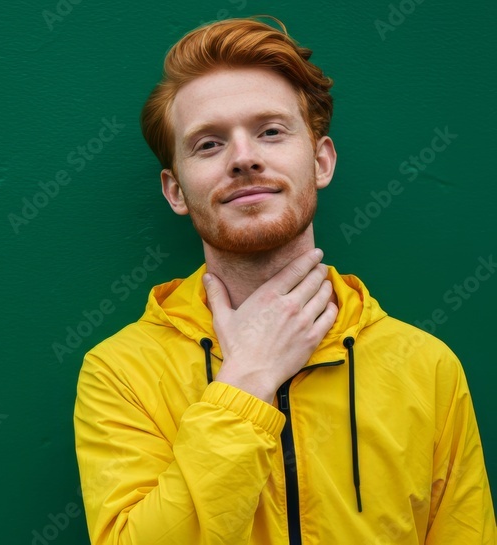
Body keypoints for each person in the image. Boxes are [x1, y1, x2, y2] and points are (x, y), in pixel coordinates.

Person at [72, 14, 495, 544]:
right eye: (208, 144)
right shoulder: (120, 373)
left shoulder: (426, 367)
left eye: (270, 132)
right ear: (176, 190)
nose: (244, 159)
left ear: (321, 162)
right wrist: (246, 384)